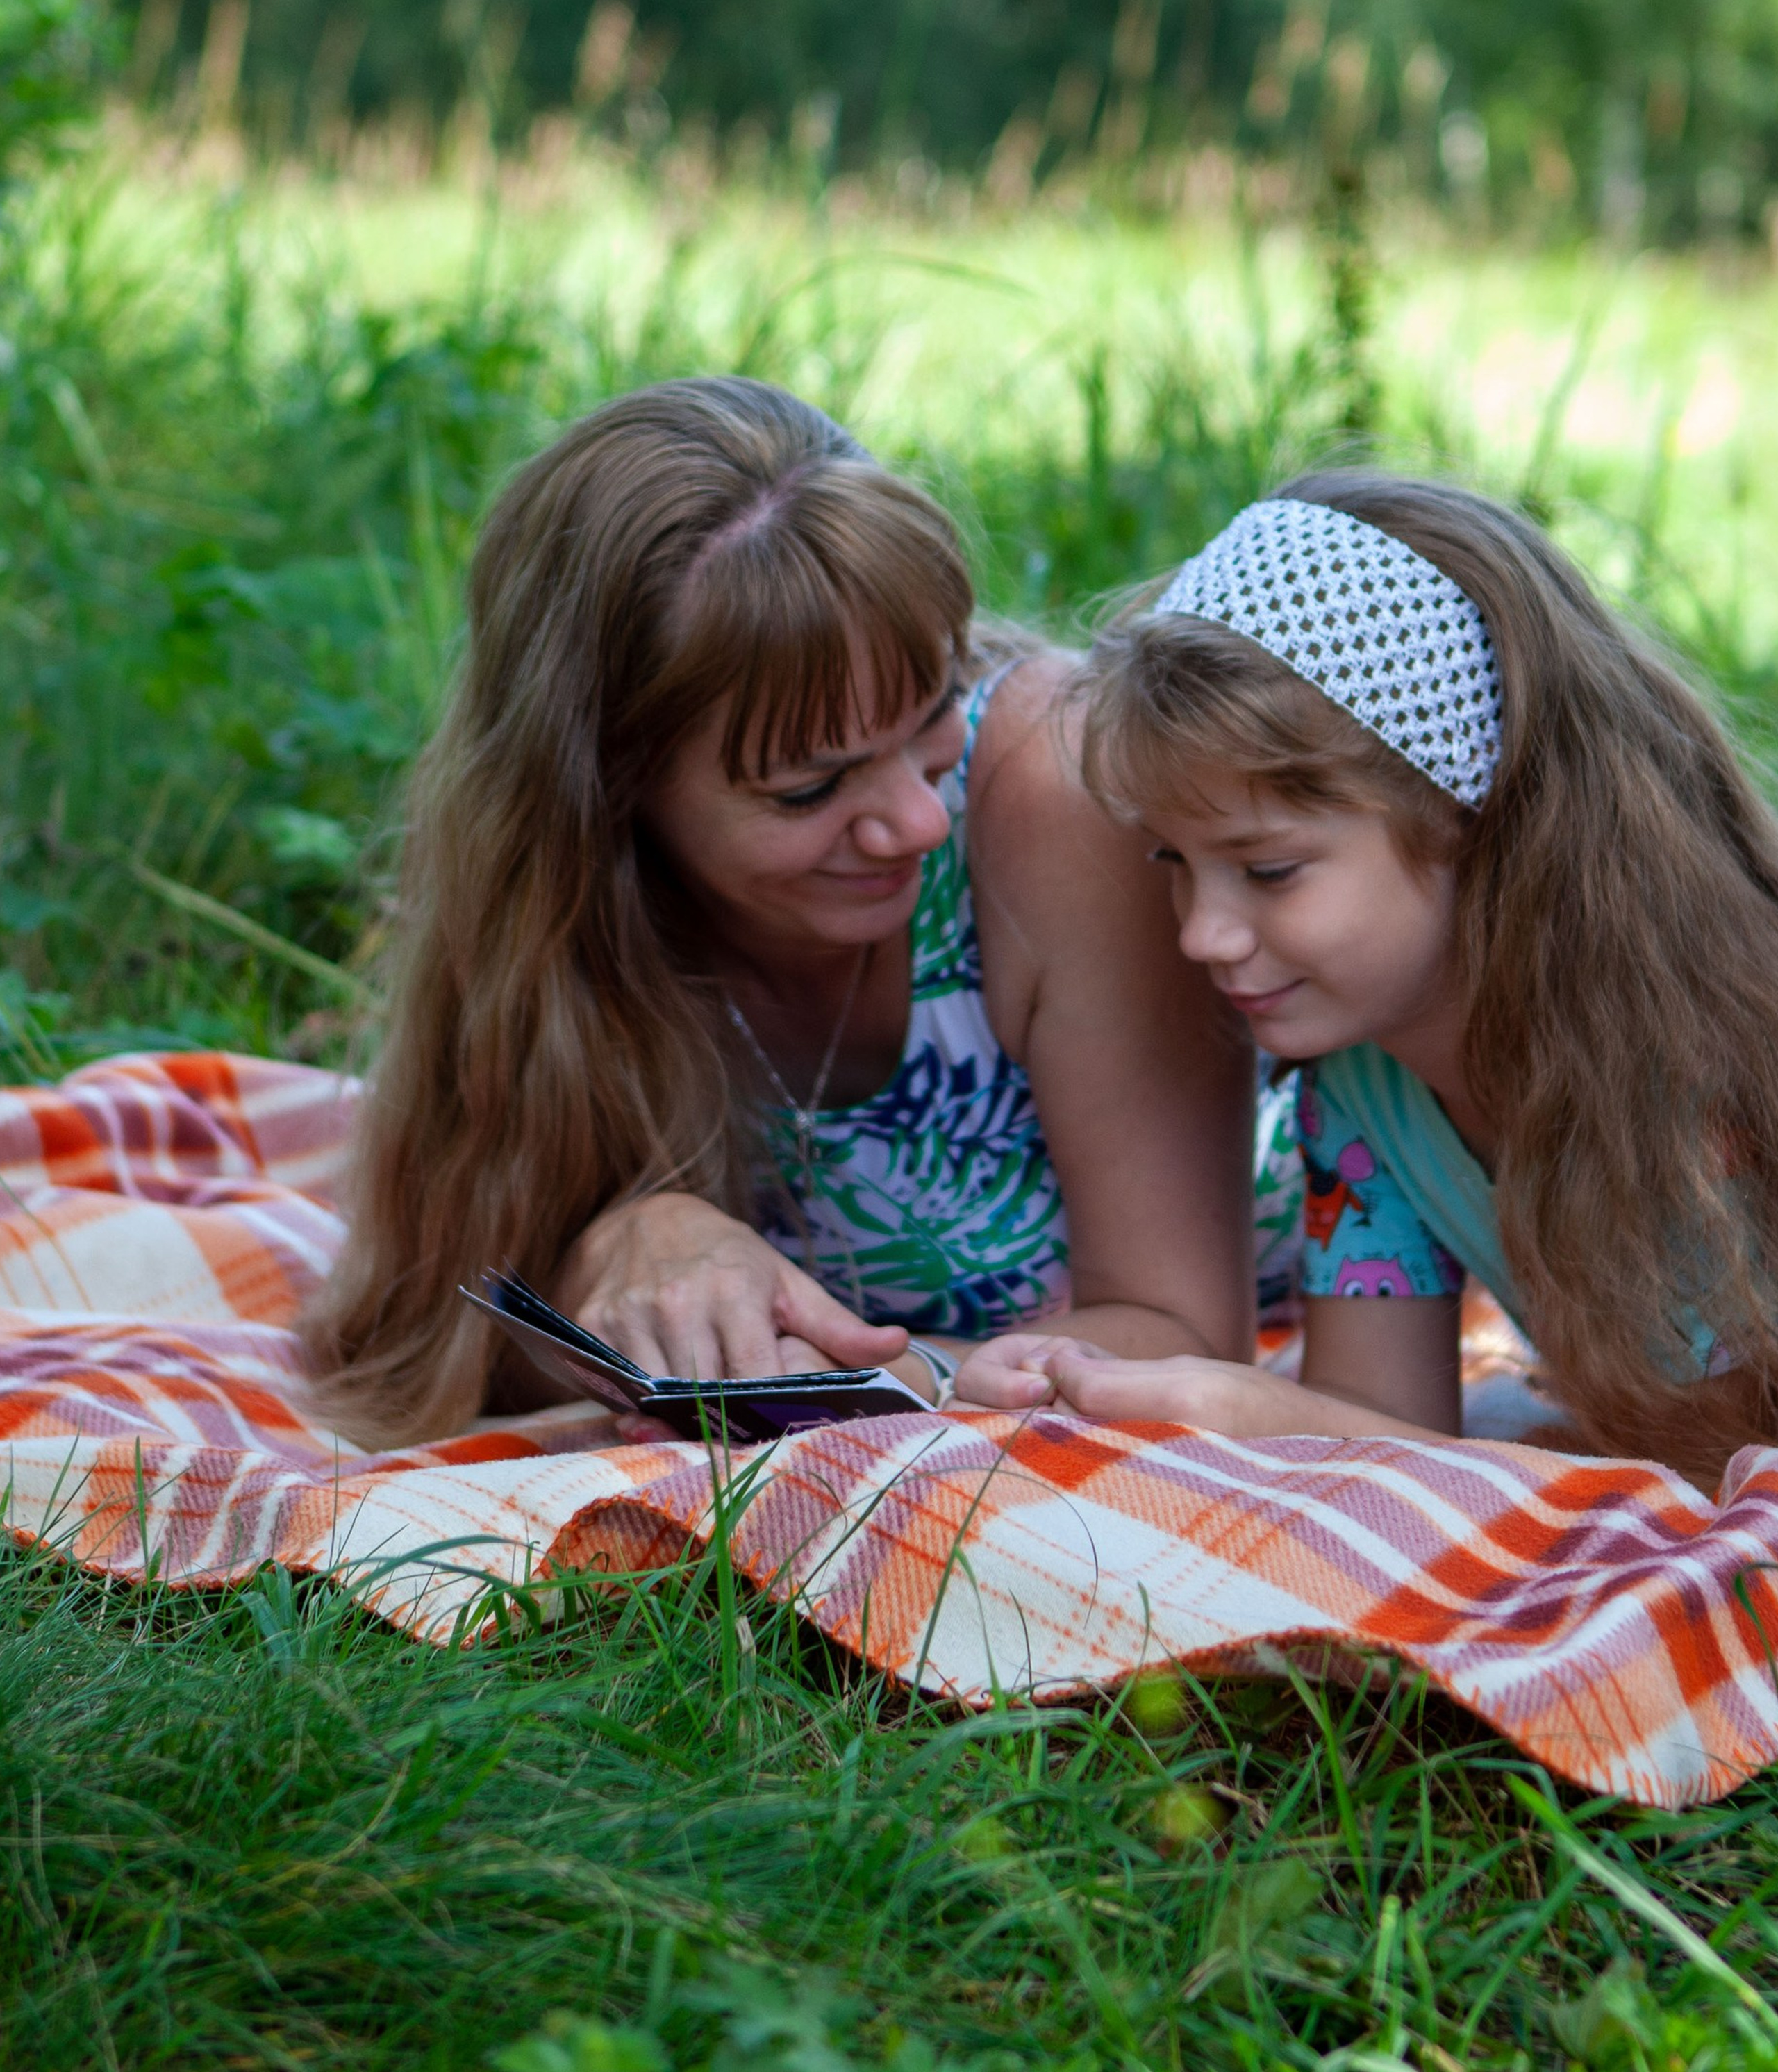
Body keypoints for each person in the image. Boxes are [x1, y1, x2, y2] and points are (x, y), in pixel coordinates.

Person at [304, 376, 1258, 1445]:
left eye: (933, 710)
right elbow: (421, 1344)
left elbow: (1185, 1330)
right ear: (612, 787)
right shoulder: (567, 918)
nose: (915, 820)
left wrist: (860, 1384)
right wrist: (616, 1253)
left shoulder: (1049, 789)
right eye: (810, 788)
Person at [958, 471, 1778, 1485]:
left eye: (1269, 871)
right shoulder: (1366, 1080)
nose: (1203, 936)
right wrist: (1164, 1391)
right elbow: (1383, 1418)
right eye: (1175, 863)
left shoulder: (1686, 1065)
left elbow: (1708, 1473)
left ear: (1473, 818)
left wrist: (1258, 1405)